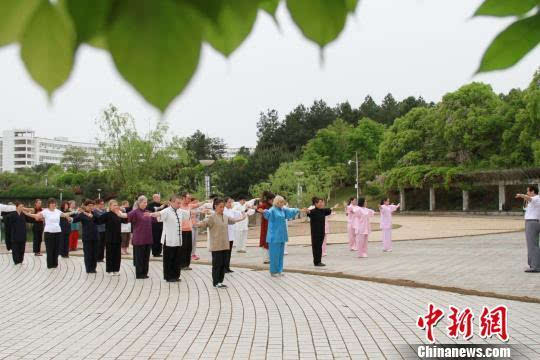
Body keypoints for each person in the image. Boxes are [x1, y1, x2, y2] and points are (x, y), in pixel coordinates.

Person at [195, 198, 246, 288]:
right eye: (220, 207)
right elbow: (203, 223)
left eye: (223, 207)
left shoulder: (225, 217)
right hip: (216, 245)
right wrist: (195, 223)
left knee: (223, 264)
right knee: (217, 265)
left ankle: (220, 281)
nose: (222, 209)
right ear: (215, 206)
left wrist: (243, 218)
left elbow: (233, 220)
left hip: (225, 245)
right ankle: (216, 282)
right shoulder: (211, 217)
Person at [147, 195, 191, 282]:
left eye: (180, 203)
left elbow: (188, 214)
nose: (179, 204)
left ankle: (176, 275)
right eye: (178, 203)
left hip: (178, 240)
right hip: (169, 240)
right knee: (168, 259)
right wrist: (152, 214)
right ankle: (168, 276)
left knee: (177, 259)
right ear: (171, 202)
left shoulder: (180, 211)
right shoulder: (166, 211)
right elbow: (159, 214)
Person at [26, 198, 72, 269]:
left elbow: (65, 214)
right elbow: (36, 216)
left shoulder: (57, 211)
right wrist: (27, 214)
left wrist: (74, 212)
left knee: (56, 249)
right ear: (49, 204)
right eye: (52, 203)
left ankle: (55, 264)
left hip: (58, 232)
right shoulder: (45, 211)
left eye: (54, 203)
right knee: (50, 249)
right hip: (49, 233)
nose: (53, 204)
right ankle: (50, 265)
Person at [261, 195, 300, 277]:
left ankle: (279, 270)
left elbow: (290, 211)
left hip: (282, 235)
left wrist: (297, 210)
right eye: (281, 202)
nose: (283, 203)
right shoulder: (272, 210)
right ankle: (273, 271)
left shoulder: (283, 209)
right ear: (277, 202)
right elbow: (267, 215)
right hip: (274, 236)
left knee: (280, 254)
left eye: (283, 202)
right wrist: (264, 211)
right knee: (274, 255)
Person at [95, 200, 127, 275]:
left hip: (118, 237)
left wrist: (120, 213)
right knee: (110, 254)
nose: (116, 206)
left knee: (117, 255)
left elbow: (125, 220)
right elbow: (98, 220)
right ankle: (110, 270)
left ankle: (116, 270)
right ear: (110, 206)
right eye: (114, 205)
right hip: (110, 237)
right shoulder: (107, 214)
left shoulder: (119, 214)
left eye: (116, 205)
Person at [128, 195, 156, 279]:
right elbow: (126, 216)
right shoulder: (135, 212)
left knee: (146, 258)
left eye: (146, 202)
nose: (145, 204)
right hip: (139, 239)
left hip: (148, 239)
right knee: (139, 258)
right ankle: (139, 274)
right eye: (144, 202)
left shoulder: (148, 212)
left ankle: (144, 273)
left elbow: (155, 220)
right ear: (139, 203)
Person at [516, 186, 540, 273]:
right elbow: (526, 208)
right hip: (532, 222)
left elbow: (529, 198)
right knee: (533, 244)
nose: (527, 193)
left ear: (532, 191)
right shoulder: (532, 200)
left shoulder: (536, 198)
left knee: (532, 245)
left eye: (528, 191)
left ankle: (535, 266)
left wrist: (521, 195)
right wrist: (525, 199)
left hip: (532, 223)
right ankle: (533, 264)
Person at [71, 200, 99, 273]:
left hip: (95, 236)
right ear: (86, 206)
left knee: (95, 253)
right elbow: (74, 219)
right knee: (88, 253)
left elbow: (99, 219)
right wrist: (71, 215)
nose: (91, 207)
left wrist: (93, 215)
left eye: (92, 205)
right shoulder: (82, 215)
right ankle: (88, 269)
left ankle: (93, 268)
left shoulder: (94, 213)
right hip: (87, 237)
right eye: (89, 205)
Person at [306, 197, 332, 267]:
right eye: (319, 202)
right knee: (316, 247)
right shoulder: (313, 211)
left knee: (320, 247)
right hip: (315, 233)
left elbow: (329, 210)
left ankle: (319, 261)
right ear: (315, 204)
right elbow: (308, 213)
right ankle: (316, 262)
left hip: (322, 232)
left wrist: (332, 208)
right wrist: (307, 211)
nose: (321, 204)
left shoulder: (323, 211)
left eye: (322, 202)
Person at [179, 193, 200, 271]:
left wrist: (206, 202)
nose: (189, 200)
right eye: (188, 198)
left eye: (190, 199)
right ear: (183, 198)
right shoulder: (179, 206)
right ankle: (181, 264)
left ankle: (187, 264)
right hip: (182, 230)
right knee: (183, 248)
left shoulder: (190, 206)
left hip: (189, 229)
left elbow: (197, 205)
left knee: (189, 248)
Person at [223, 197, 243, 273]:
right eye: (229, 202)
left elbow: (238, 213)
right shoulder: (223, 211)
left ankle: (227, 267)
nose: (230, 204)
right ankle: (224, 267)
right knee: (225, 252)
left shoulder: (231, 210)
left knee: (229, 251)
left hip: (231, 234)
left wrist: (244, 212)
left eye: (231, 202)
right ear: (225, 203)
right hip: (225, 234)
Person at [257, 191, 275, 264]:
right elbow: (258, 209)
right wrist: (263, 211)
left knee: (271, 241)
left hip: (271, 226)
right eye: (272, 200)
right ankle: (266, 259)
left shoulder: (272, 206)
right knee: (265, 241)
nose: (273, 201)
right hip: (265, 226)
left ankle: (270, 257)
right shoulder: (264, 205)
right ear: (269, 199)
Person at [148, 193, 166, 257]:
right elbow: (150, 210)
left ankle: (159, 252)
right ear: (154, 198)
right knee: (155, 238)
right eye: (158, 198)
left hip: (161, 223)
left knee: (160, 238)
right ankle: (155, 252)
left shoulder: (161, 205)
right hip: (154, 224)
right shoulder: (150, 205)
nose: (159, 199)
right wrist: (159, 208)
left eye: (159, 198)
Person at [94, 198, 107, 262]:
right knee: (98, 244)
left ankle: (101, 258)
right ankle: (97, 257)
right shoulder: (94, 211)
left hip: (104, 229)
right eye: (101, 204)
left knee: (103, 244)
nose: (102, 205)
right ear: (97, 204)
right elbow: (100, 217)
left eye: (103, 204)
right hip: (98, 230)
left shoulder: (104, 210)